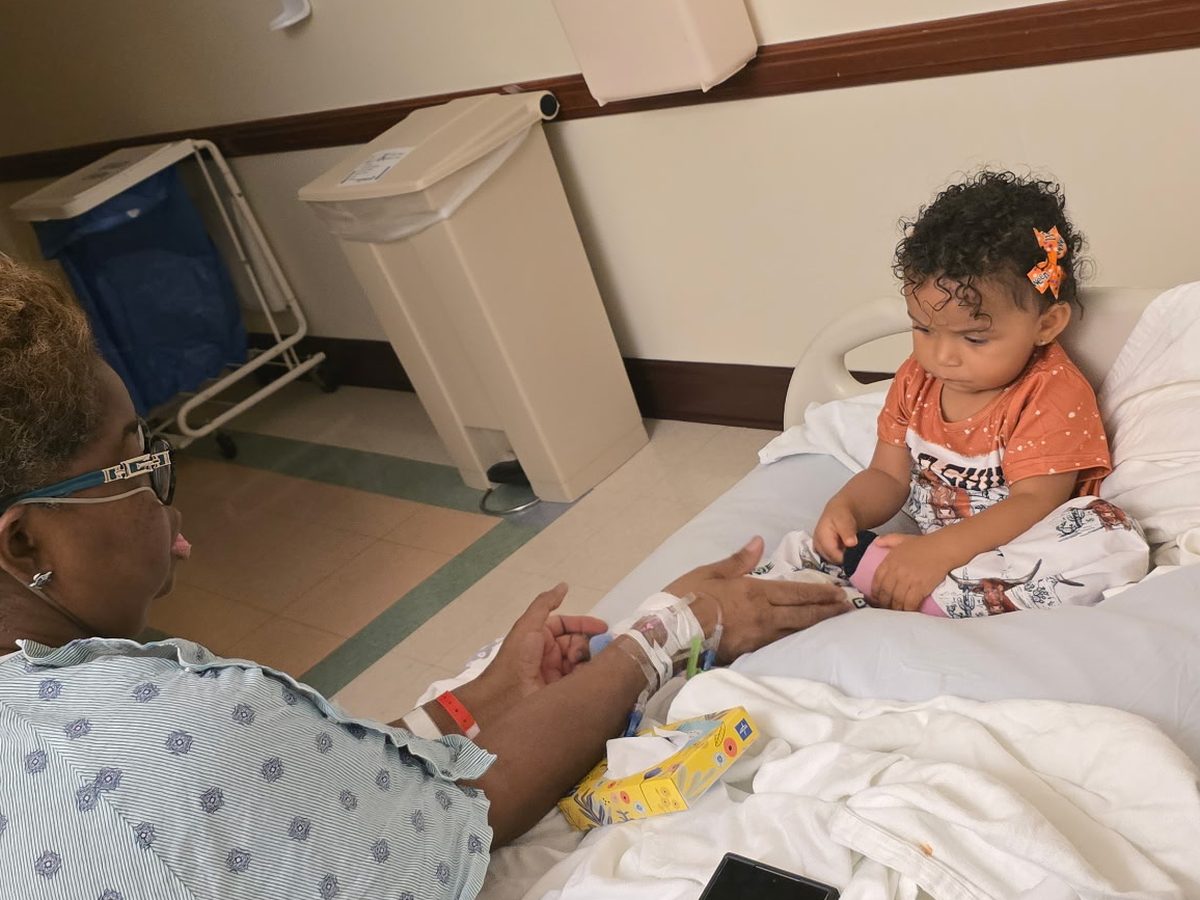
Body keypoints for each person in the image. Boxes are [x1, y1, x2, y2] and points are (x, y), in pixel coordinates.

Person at [0, 256, 849, 897]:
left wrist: (479, 699)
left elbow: (303, 792)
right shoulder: (170, 730)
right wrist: (674, 629)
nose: (167, 496)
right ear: (27, 545)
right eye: (138, 464)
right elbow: (459, 818)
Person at [764, 171, 1148, 617]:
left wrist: (940, 552)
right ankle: (873, 581)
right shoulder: (916, 380)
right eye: (924, 329)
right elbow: (888, 475)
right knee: (808, 551)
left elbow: (1035, 502)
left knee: (1111, 533)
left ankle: (927, 597)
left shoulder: (1050, 392)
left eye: (974, 338)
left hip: (1018, 548)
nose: (942, 356)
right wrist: (846, 509)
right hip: (933, 543)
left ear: (1046, 325)